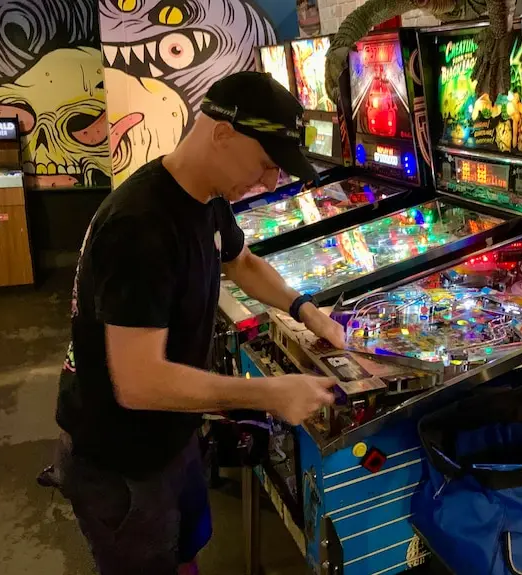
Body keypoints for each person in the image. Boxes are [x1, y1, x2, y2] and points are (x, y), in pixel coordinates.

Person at [54, 72, 346, 575]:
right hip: (122, 459)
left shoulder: (204, 196)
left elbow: (243, 263)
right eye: (266, 163)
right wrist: (270, 393)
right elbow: (139, 384)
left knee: (184, 549)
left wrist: (307, 310)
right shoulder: (140, 225)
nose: (271, 182)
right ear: (222, 133)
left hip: (171, 433)